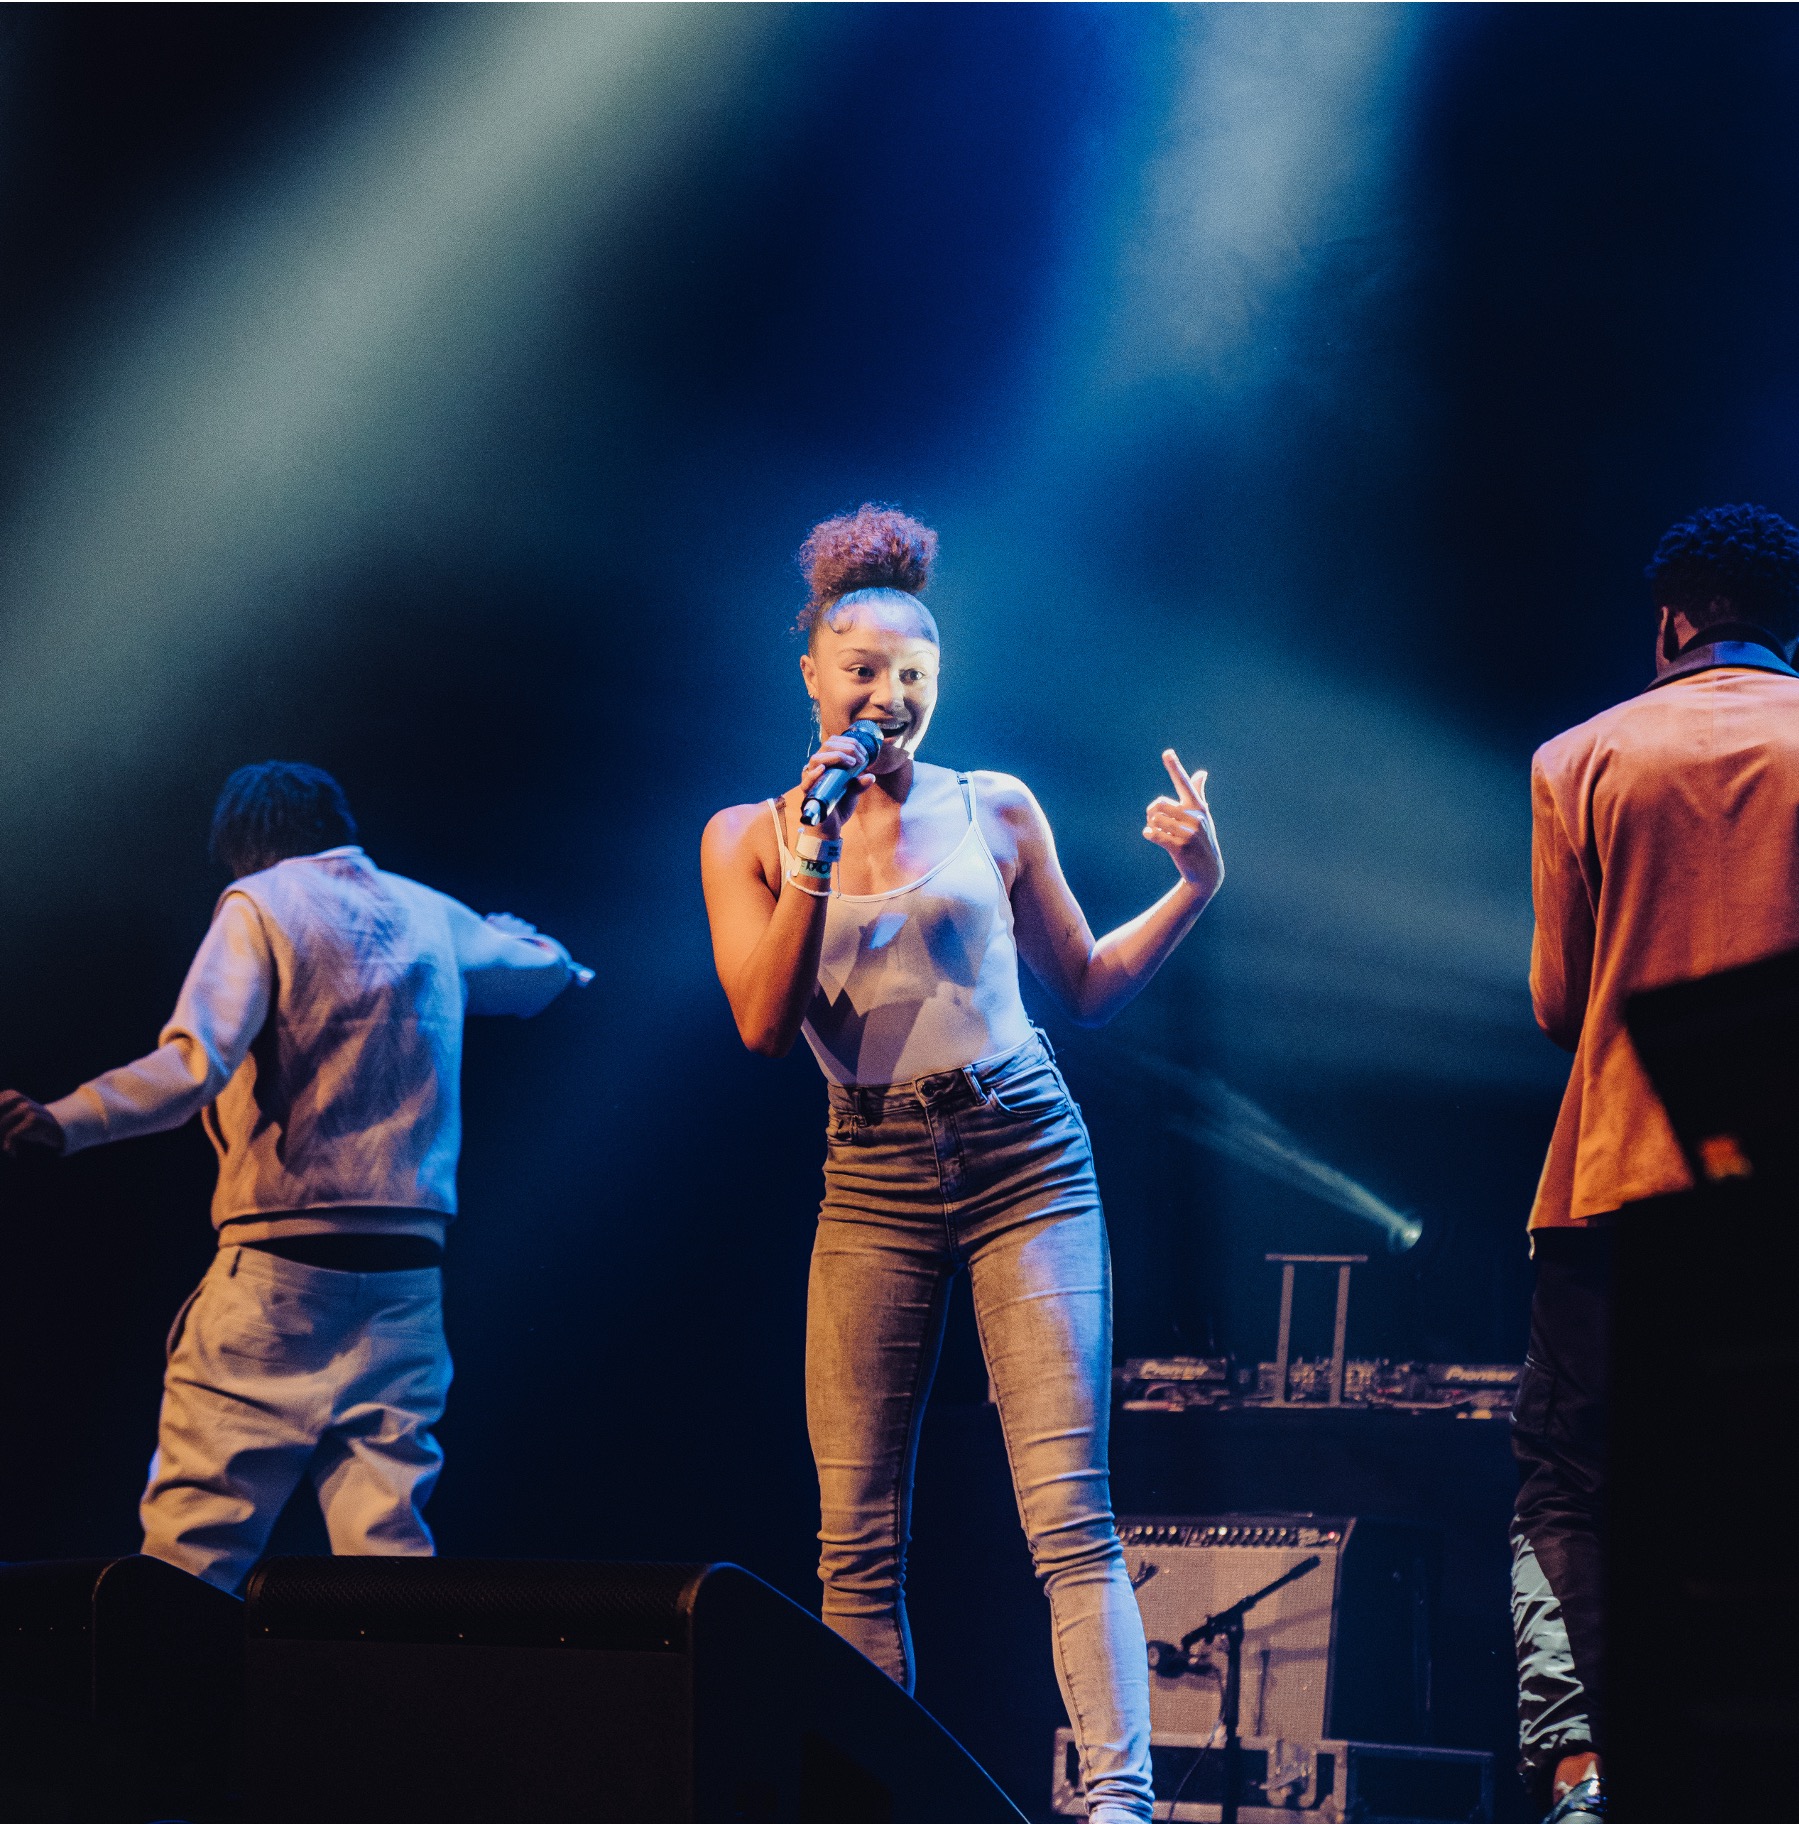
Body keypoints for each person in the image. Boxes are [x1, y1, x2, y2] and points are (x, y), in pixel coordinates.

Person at [699, 505, 1223, 1824]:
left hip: (1022, 1153)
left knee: (1066, 1511)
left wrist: (1193, 886)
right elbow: (762, 1024)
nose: (892, 699)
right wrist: (812, 858)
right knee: (853, 1540)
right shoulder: (750, 838)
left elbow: (1088, 986)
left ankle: (1118, 1804)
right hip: (868, 1176)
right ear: (813, 678)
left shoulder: (992, 806)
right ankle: (868, 1801)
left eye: (915, 678)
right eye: (865, 673)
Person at [0, 761, 581, 1593]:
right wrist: (538, 944)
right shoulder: (425, 910)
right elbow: (539, 974)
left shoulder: (259, 903)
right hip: (405, 1287)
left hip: (279, 1281)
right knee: (390, 1565)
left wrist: (66, 1121)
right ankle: (407, 1720)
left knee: (189, 1563)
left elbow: (194, 1064)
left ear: (244, 847)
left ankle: (161, 1722)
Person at [1513, 502, 1799, 1824]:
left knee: (1572, 1481)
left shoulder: (1575, 757)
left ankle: (1579, 1767)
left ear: (1670, 619)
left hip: (1613, 1183)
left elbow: (1557, 1002)